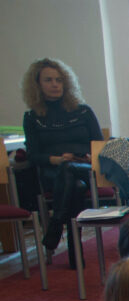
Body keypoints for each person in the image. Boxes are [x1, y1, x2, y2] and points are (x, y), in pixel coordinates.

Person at [21, 58, 102, 258]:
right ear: (37, 84)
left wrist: (88, 157)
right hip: (54, 172)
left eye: (58, 80)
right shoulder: (32, 118)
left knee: (72, 173)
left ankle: (56, 225)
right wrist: (58, 160)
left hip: (85, 168)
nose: (55, 84)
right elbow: (33, 155)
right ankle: (75, 248)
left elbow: (100, 146)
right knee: (74, 183)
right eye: (48, 80)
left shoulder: (84, 111)